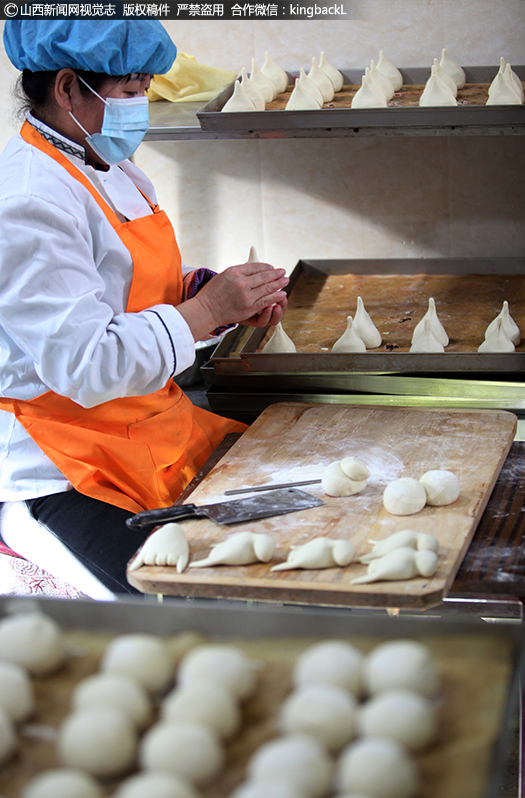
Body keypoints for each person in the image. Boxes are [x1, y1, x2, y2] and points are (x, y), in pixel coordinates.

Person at [0, 21, 288, 594]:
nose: (141, 106)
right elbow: (86, 364)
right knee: (189, 614)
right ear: (66, 88)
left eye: (144, 89)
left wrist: (207, 294)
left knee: (281, 556)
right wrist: (204, 311)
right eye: (128, 91)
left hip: (148, 432)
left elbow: (123, 291)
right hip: (64, 469)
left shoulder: (110, 167)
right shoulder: (29, 199)